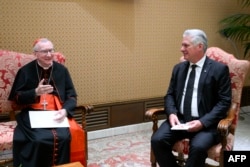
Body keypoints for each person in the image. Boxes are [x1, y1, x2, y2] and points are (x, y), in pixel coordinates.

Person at [151, 29, 232, 167]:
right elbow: (169, 95)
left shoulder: (219, 70)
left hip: (207, 124)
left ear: (199, 46)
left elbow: (224, 102)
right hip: (181, 120)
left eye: (185, 45)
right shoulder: (178, 68)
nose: (181, 49)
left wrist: (202, 122)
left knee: (198, 147)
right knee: (157, 140)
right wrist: (171, 113)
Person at [8, 38, 85, 167]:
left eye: (51, 50)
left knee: (65, 137)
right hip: (32, 112)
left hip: (57, 111)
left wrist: (65, 111)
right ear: (35, 54)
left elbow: (71, 96)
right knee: (39, 139)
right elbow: (16, 98)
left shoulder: (61, 70)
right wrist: (35, 92)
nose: (49, 55)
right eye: (44, 51)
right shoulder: (26, 71)